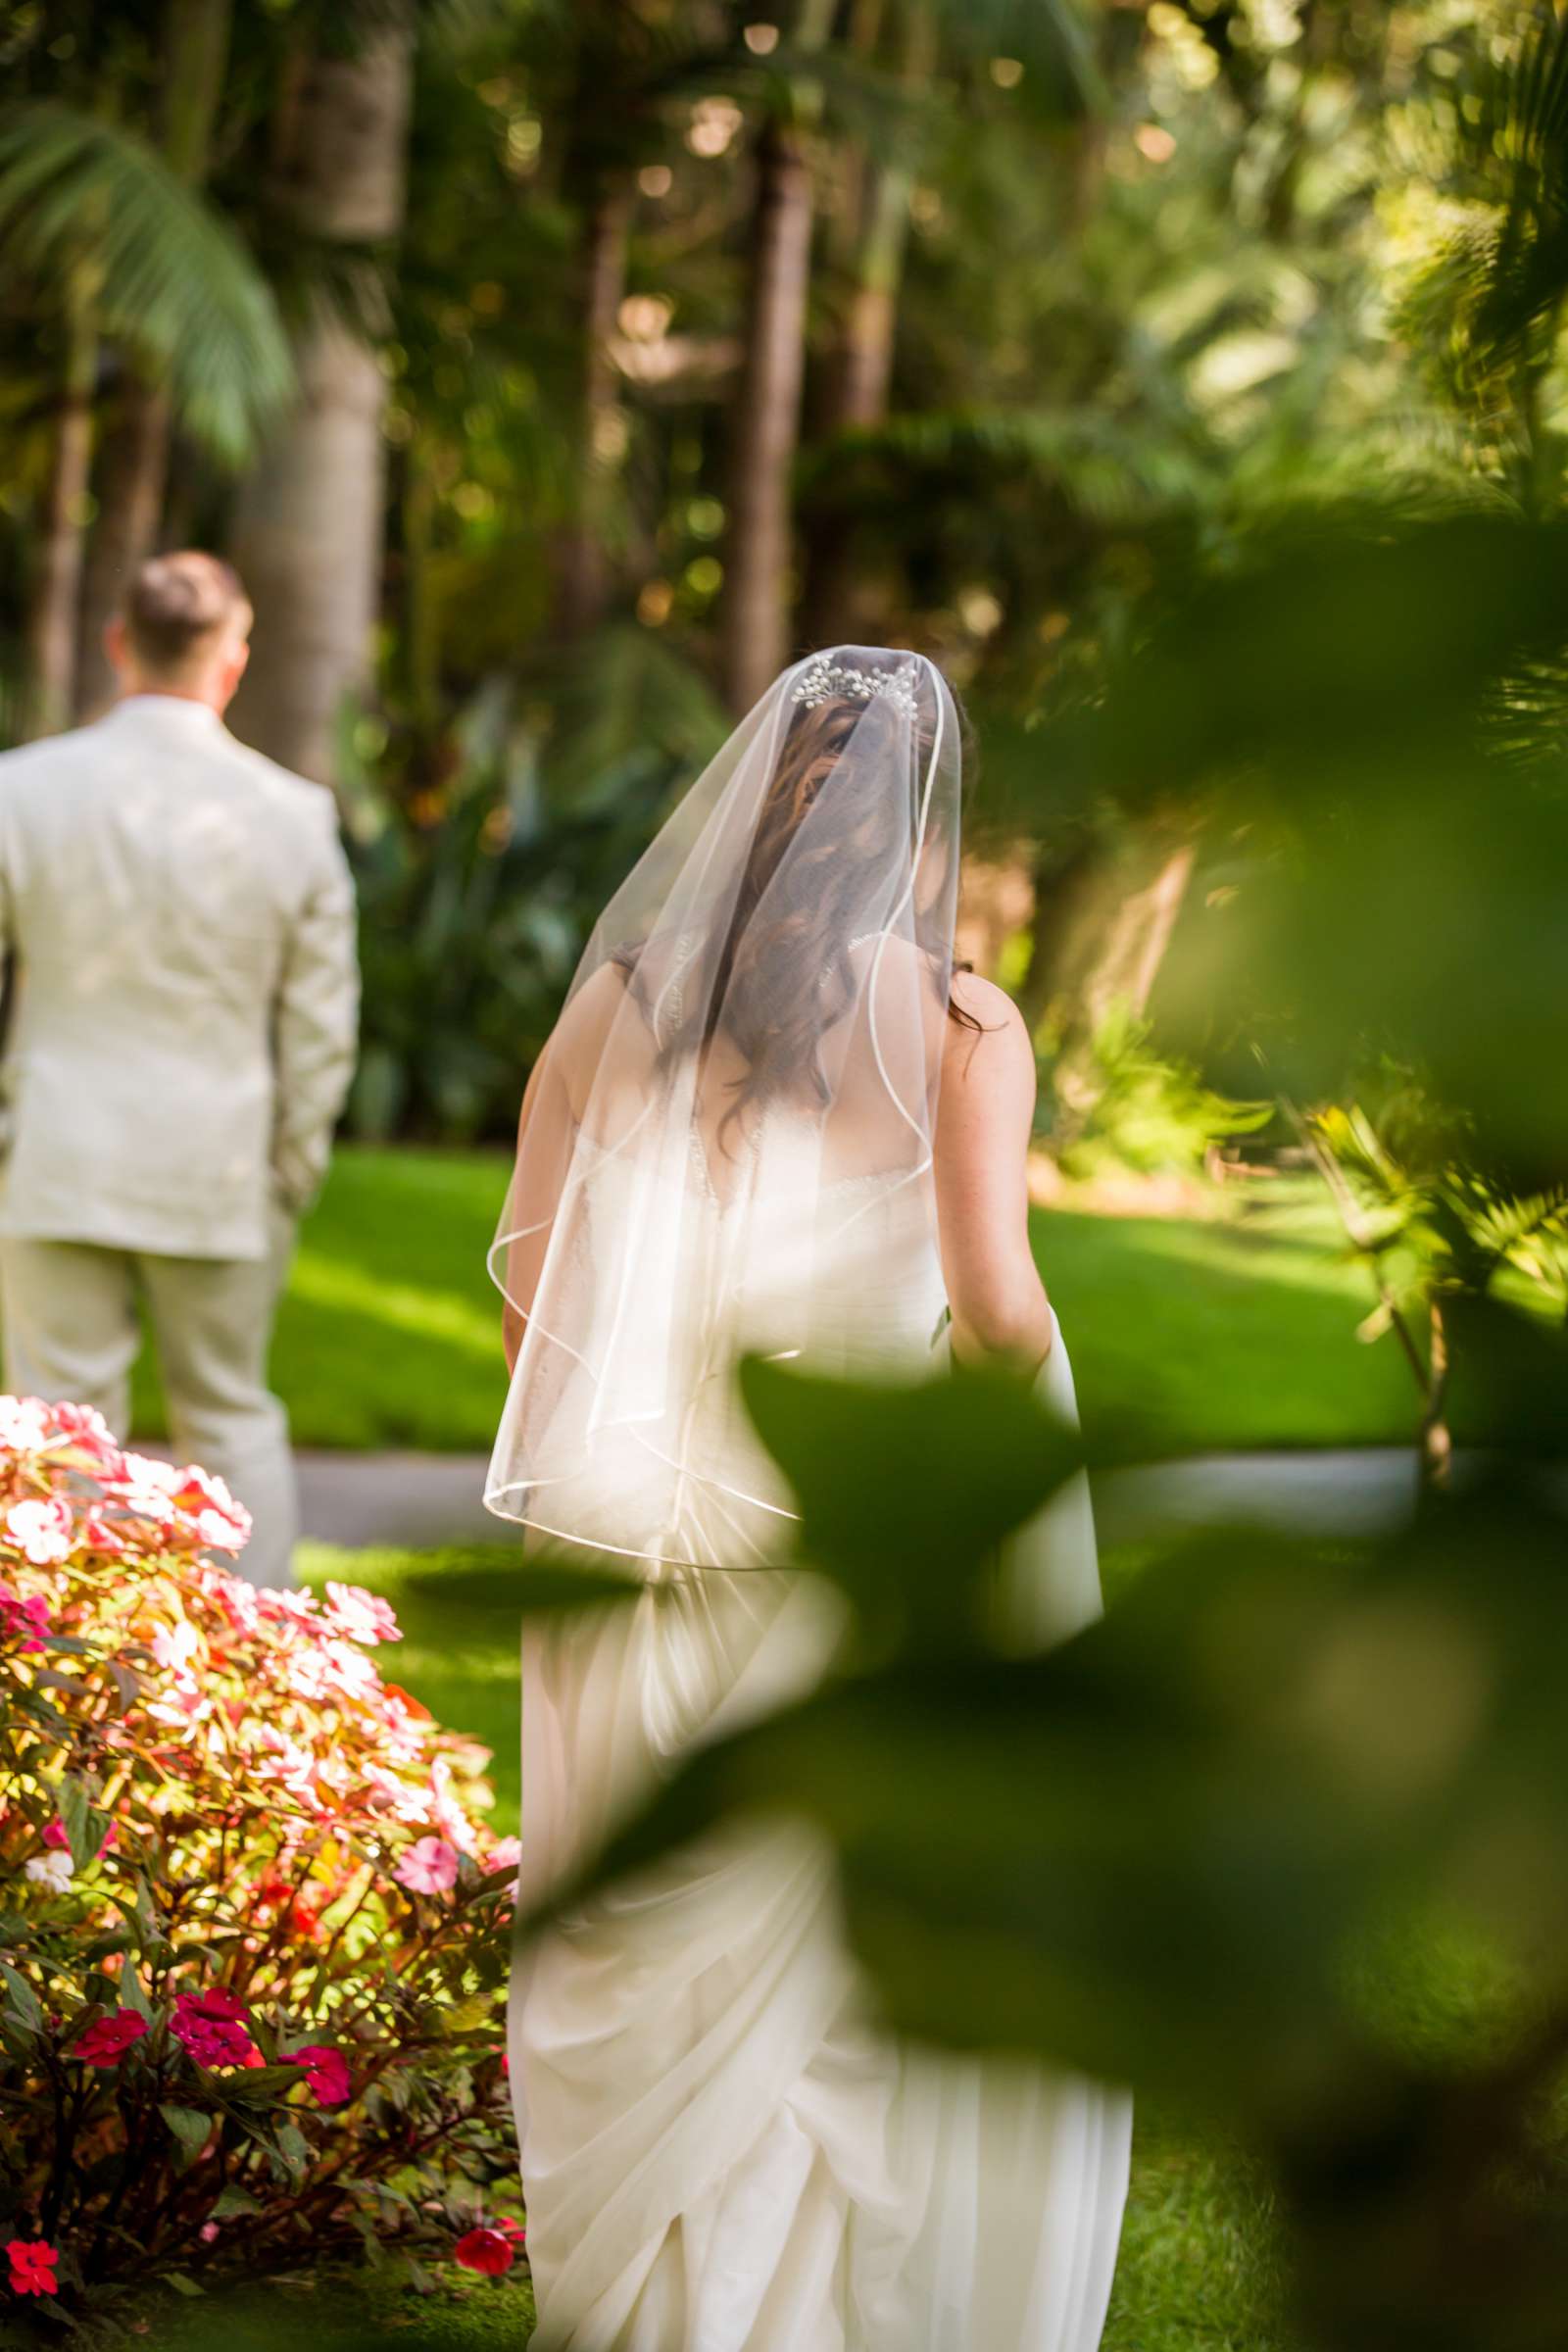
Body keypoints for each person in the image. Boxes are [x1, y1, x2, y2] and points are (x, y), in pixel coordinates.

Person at [486, 648, 1131, 2349]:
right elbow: (996, 1309)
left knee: (644, 1944)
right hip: (832, 1557)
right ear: (919, 829)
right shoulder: (964, 1029)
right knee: (823, 1994)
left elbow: (532, 1302)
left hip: (629, 1537)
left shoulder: (619, 998)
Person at [0, 551, 360, 1588]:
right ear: (232, 660)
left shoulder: (23, 792)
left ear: (118, 644)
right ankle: (266, 1671)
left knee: (57, 1430)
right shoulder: (291, 812)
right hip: (222, 1163)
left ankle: (63, 1684)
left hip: (58, 1152)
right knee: (230, 1415)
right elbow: (321, 1021)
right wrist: (290, 1162)